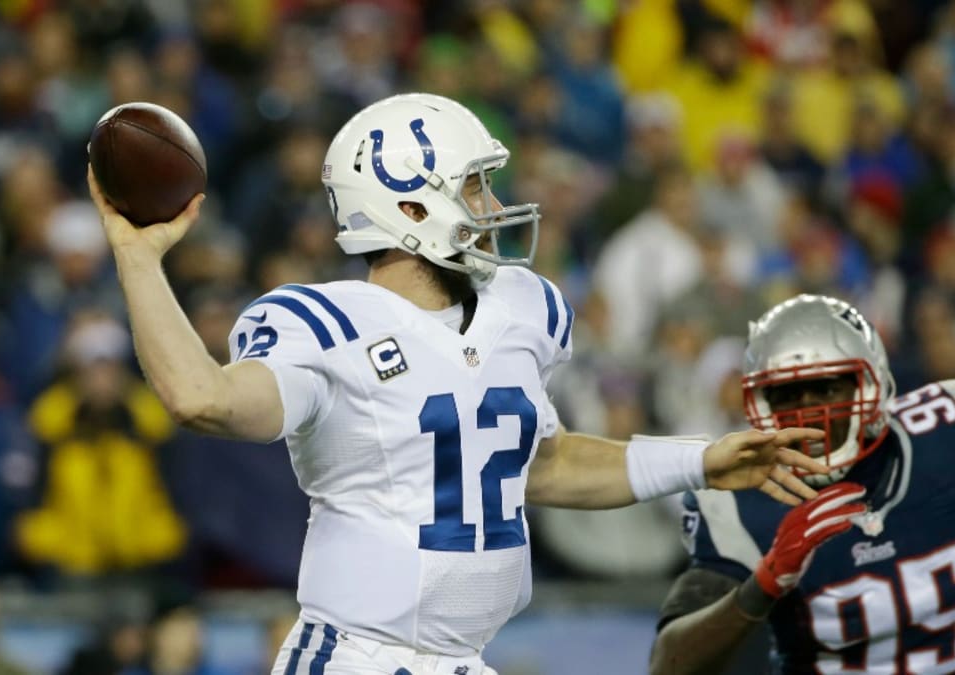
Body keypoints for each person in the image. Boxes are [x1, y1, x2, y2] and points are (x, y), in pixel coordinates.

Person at [86, 92, 829, 675]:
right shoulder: (326, 322)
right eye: (474, 189)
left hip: (464, 659)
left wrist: (701, 459)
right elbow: (203, 397)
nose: (493, 208)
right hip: (356, 657)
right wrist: (138, 258)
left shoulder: (518, 309)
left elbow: (542, 464)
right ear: (410, 209)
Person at [649, 294, 955, 674]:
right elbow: (669, 662)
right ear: (759, 405)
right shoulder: (741, 502)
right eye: (788, 393)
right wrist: (762, 584)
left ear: (873, 383)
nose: (810, 411)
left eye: (827, 386)